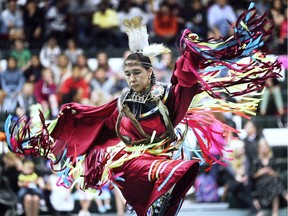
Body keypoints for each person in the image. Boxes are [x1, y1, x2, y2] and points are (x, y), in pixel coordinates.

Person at [2, 5, 282, 216]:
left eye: (136, 72)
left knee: (159, 184)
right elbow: (95, 124)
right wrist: (49, 135)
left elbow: (184, 83)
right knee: (127, 168)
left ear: (149, 73)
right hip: (130, 166)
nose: (131, 78)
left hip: (160, 160)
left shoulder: (164, 98)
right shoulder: (121, 104)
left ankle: (160, 196)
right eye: (127, 73)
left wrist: (192, 55)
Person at [251, 138, 288, 216]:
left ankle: (275, 212)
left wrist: (271, 172)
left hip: (272, 182)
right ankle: (284, 197)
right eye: (262, 147)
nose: (264, 149)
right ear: (259, 149)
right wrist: (262, 171)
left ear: (268, 148)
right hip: (261, 183)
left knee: (274, 183)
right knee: (274, 183)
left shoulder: (272, 160)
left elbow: (278, 174)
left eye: (265, 147)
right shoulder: (256, 161)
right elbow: (253, 175)